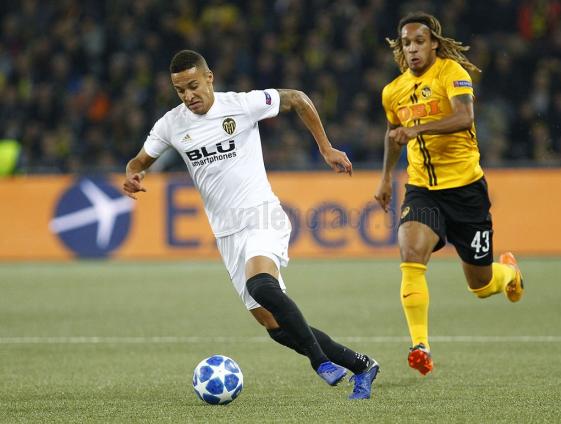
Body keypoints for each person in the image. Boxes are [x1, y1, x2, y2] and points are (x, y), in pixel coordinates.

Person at [123, 50, 379, 399]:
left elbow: (298, 100)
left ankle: (321, 362)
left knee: (261, 285)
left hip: (261, 215)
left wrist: (326, 148)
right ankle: (362, 365)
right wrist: (133, 175)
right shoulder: (172, 124)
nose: (188, 96)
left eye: (194, 86)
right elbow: (140, 160)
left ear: (209, 77)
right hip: (227, 233)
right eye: (180, 90)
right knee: (273, 325)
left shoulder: (241, 105)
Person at [374, 12, 524, 376]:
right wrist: (384, 179)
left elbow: (464, 118)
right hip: (423, 190)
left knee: (482, 286)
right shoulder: (393, 92)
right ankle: (420, 345)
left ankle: (509, 274)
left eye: (419, 41)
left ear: (434, 44)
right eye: (406, 43)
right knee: (410, 251)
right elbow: (394, 134)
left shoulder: (452, 74)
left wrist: (418, 129)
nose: (412, 49)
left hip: (467, 191)